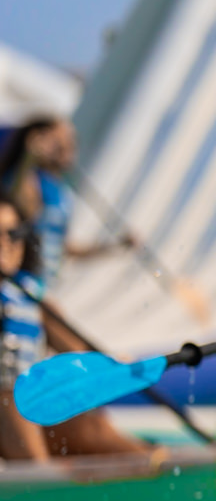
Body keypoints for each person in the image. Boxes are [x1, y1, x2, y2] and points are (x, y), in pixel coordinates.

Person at [0, 116, 150, 457]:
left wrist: (113, 248)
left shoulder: (58, 192)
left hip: (33, 286)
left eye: (72, 143)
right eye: (58, 143)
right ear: (34, 142)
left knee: (65, 352)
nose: (69, 151)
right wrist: (27, 157)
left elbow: (64, 248)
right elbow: (16, 198)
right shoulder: (28, 186)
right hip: (22, 299)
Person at [0, 197, 49, 460]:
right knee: (12, 396)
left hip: (28, 404)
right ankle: (41, 476)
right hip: (8, 404)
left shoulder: (31, 293)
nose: (5, 243)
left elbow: (77, 348)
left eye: (13, 233)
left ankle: (151, 458)